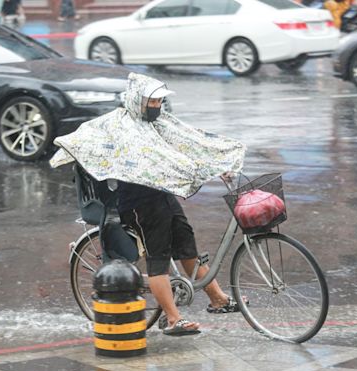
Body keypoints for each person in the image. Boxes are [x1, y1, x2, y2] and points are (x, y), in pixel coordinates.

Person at [50, 73, 247, 336]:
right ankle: (173, 318)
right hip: (138, 203)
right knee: (159, 259)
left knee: (187, 248)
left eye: (159, 101)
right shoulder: (121, 125)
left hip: (163, 195)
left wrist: (219, 163)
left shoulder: (159, 122)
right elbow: (153, 155)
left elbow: (190, 141)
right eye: (151, 102)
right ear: (136, 100)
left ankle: (218, 298)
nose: (156, 107)